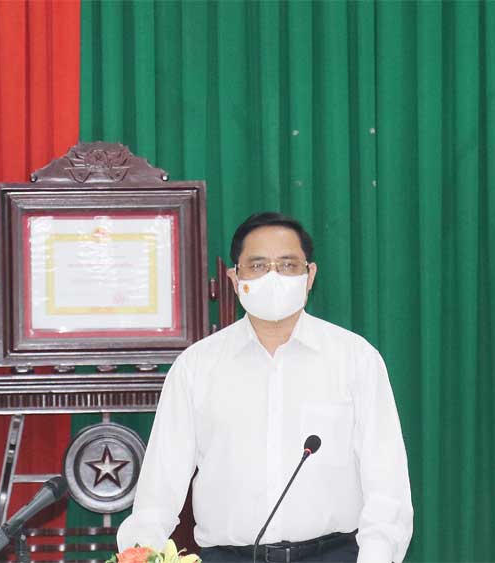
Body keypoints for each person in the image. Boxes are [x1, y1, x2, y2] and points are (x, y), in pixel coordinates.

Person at [117, 212, 413, 562]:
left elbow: (386, 483)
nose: (273, 277)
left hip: (334, 554)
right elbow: (159, 489)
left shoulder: (355, 359)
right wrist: (142, 553)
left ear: (310, 276)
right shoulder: (196, 366)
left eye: (288, 265)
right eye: (257, 266)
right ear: (235, 278)